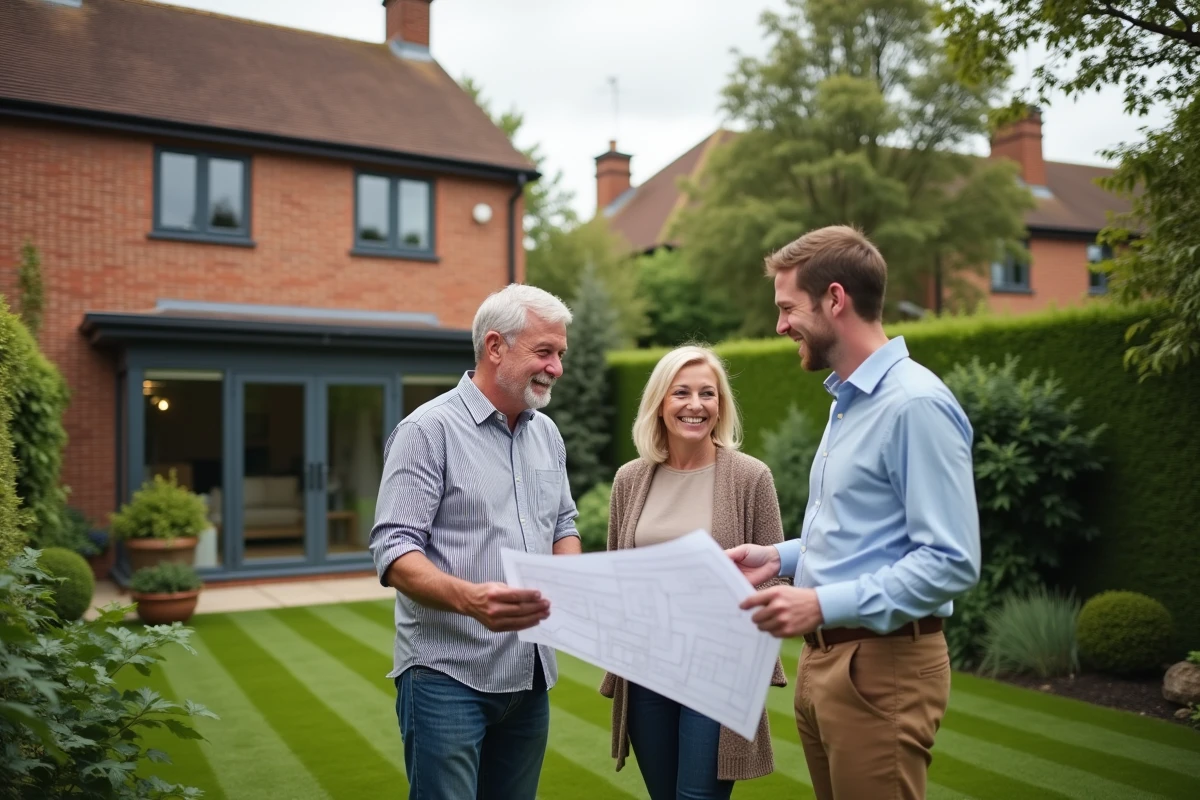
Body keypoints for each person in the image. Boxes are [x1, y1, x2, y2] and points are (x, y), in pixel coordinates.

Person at [729, 226, 982, 800]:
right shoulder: (848, 400)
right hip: (828, 664)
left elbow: (951, 562)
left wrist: (819, 602)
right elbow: (857, 532)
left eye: (788, 307)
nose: (780, 325)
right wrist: (777, 558)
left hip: (882, 666)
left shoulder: (914, 405)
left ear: (835, 299)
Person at [369, 283, 582, 800]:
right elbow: (393, 550)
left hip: (530, 677)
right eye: (544, 351)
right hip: (446, 678)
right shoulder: (427, 430)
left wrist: (569, 577)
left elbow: (564, 524)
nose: (556, 366)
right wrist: (472, 600)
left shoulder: (547, 434)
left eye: (559, 354)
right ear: (494, 347)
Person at [599, 344, 789, 800]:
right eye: (681, 392)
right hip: (646, 671)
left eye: (708, 393)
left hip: (716, 671)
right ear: (660, 403)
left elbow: (777, 577)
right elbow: (614, 575)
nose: (695, 405)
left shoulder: (750, 477)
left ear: (720, 405)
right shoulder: (630, 478)